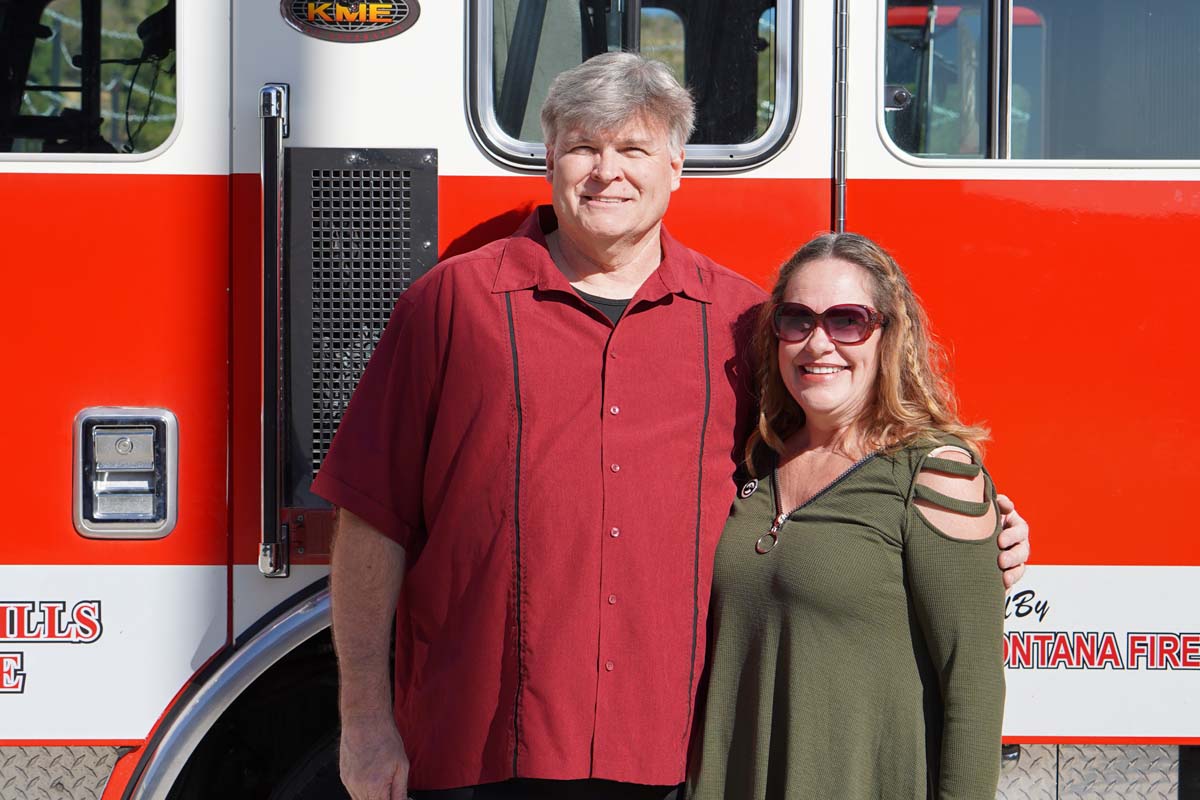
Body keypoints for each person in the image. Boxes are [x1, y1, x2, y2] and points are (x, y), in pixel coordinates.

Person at [312, 53, 1029, 800]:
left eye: (633, 149)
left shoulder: (740, 322)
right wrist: (364, 722)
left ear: (677, 165)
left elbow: (835, 459)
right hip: (476, 748)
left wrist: (972, 527)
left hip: (674, 759)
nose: (606, 172)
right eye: (585, 146)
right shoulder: (450, 305)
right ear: (550, 157)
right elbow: (372, 518)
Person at [687, 234, 1007, 799]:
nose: (818, 344)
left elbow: (973, 684)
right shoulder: (750, 465)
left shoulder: (933, 472)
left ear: (888, 335)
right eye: (797, 320)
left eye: (847, 320)